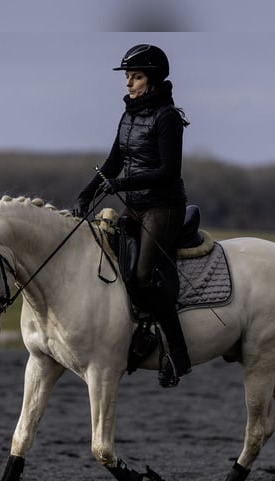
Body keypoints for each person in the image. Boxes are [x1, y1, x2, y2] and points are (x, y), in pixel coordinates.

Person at [72, 44, 191, 388]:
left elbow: (169, 171)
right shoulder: (129, 115)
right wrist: (87, 192)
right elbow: (112, 163)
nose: (128, 83)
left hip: (164, 206)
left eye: (135, 76)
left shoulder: (167, 118)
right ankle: (134, 334)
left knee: (141, 275)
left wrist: (122, 183)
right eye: (127, 76)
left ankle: (178, 354)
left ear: (152, 80)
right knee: (110, 263)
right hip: (136, 205)